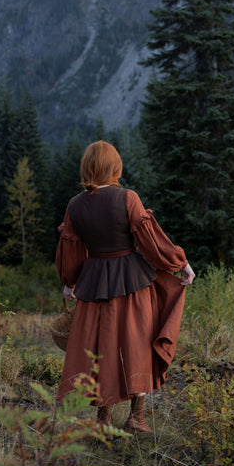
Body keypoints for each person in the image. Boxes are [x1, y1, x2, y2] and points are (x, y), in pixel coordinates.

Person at [55, 140, 195, 433]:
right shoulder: (128, 198)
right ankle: (137, 417)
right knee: (138, 343)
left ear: (87, 167)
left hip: (95, 284)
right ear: (114, 166)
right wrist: (180, 262)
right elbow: (151, 241)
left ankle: (103, 418)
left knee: (101, 348)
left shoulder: (75, 205)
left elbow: (71, 250)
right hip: (132, 282)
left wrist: (70, 282)